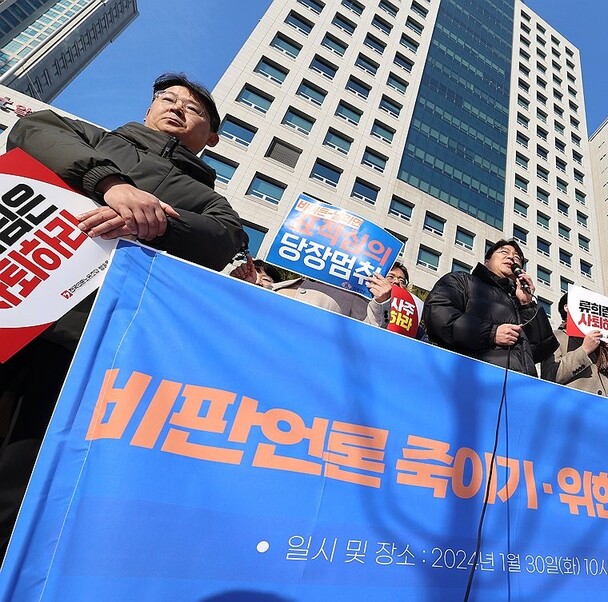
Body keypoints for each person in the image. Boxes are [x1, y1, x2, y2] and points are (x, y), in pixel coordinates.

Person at [0, 72, 244, 556]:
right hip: (15, 293)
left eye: (192, 109)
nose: (176, 108)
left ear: (211, 138)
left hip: (83, 336)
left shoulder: (211, 200)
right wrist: (108, 183)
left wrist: (150, 216)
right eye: (167, 99)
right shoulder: (94, 137)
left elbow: (222, 238)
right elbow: (31, 131)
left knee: (23, 468)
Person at [423, 239, 557, 376]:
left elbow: (541, 350)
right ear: (487, 260)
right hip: (472, 378)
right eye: (504, 252)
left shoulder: (519, 300)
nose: (511, 257)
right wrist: (491, 333)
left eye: (517, 257)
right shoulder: (462, 281)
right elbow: (438, 315)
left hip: (520, 386)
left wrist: (527, 304)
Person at [230, 254, 393, 327]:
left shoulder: (349, 293)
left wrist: (382, 302)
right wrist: (248, 285)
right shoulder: (281, 285)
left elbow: (369, 332)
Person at [540, 292, 608, 399]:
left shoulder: (604, 344)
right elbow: (549, 376)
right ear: (567, 307)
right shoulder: (555, 336)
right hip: (575, 406)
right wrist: (584, 350)